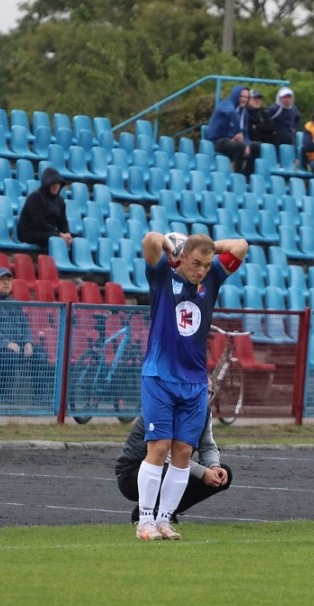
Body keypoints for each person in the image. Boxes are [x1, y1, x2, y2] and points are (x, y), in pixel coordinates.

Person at [135, 230, 248, 540]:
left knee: (184, 451)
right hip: (160, 375)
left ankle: (164, 520)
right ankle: (145, 522)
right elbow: (149, 239)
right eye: (197, 263)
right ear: (182, 258)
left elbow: (241, 246)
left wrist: (211, 248)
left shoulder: (211, 280)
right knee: (158, 448)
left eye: (207, 264)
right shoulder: (161, 276)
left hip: (195, 381)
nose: (202, 270)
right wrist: (173, 246)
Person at [115, 409, 232, 524]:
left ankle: (168, 513)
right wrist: (203, 473)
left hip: (170, 465)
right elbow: (168, 456)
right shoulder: (168, 405)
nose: (206, 395)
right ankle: (142, 515)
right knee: (172, 472)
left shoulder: (203, 410)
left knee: (224, 474)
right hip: (131, 473)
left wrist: (214, 467)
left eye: (210, 392)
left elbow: (207, 446)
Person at [0, 266, 36, 402]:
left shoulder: (13, 302)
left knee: (39, 355)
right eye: (2, 279)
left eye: (9, 279)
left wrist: (28, 342)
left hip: (15, 345)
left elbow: (24, 325)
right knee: (9, 355)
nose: (6, 283)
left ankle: (39, 395)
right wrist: (6, 343)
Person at [16, 165, 73, 253]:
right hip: (31, 231)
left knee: (74, 238)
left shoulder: (60, 201)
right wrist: (59, 234)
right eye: (53, 183)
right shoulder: (35, 197)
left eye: (58, 184)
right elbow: (39, 222)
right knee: (55, 238)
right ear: (47, 184)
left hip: (49, 231)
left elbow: (63, 222)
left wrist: (67, 234)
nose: (56, 186)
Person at [205, 85, 252, 176]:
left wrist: (247, 144)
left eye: (246, 97)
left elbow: (245, 133)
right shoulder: (226, 104)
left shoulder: (244, 112)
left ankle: (247, 175)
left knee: (257, 147)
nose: (244, 99)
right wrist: (238, 132)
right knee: (240, 146)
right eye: (241, 96)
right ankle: (237, 175)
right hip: (218, 140)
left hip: (232, 141)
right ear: (235, 95)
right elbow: (231, 113)